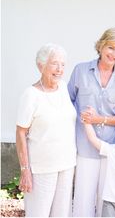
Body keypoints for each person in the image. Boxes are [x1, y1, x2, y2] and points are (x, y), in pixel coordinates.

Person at [68, 27, 115, 217]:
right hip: (84, 144)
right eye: (111, 48)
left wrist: (100, 119)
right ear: (101, 45)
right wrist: (81, 116)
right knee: (82, 199)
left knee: (105, 201)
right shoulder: (80, 70)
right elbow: (69, 101)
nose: (114, 54)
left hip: (111, 147)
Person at [16, 43, 77, 217]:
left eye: (63, 64)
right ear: (41, 66)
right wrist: (24, 169)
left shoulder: (64, 88)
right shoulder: (31, 94)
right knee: (38, 214)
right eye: (54, 63)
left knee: (61, 214)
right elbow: (21, 133)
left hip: (66, 164)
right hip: (41, 167)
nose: (59, 69)